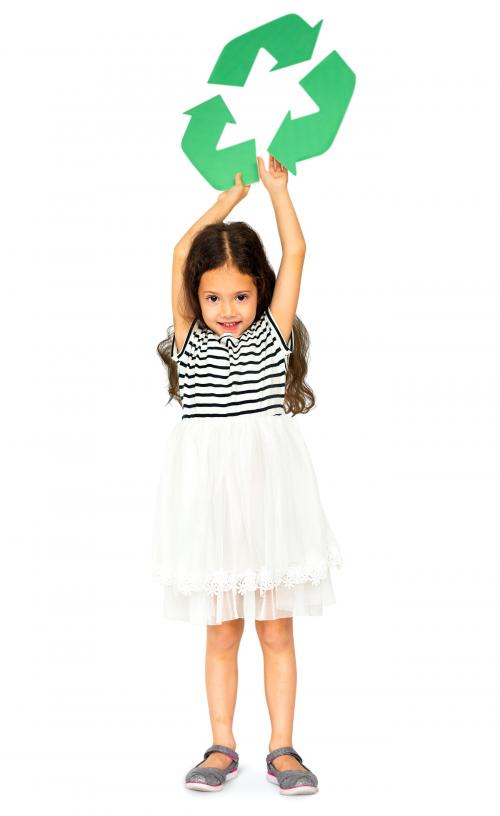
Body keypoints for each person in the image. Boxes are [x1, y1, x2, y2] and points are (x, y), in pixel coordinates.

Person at [152, 154, 343, 795]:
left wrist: (276, 191)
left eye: (240, 295)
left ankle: (283, 748)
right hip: (210, 508)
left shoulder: (272, 334)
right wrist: (226, 201)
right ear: (194, 296)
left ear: (259, 291)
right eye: (212, 296)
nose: (226, 308)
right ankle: (220, 745)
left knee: (276, 628)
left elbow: (295, 250)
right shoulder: (188, 341)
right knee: (223, 629)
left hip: (270, 501)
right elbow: (183, 251)